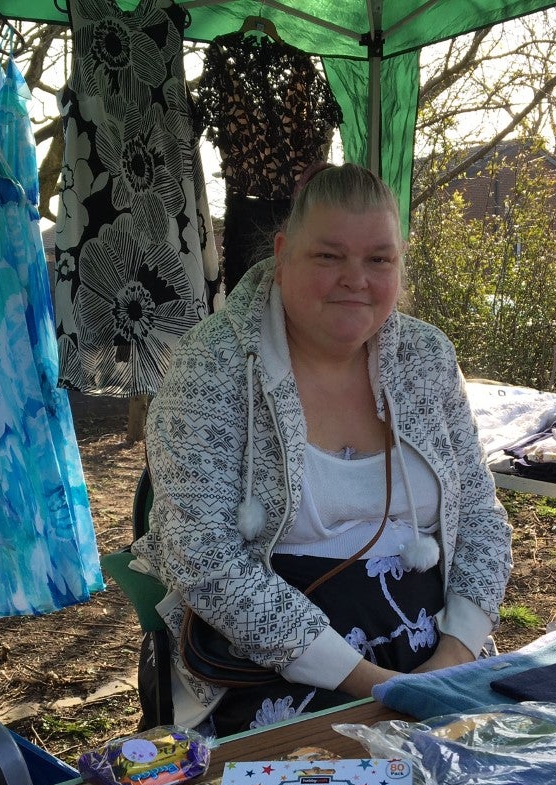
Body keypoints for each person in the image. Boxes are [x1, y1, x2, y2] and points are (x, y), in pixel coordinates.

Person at [132, 163, 512, 735]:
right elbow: (202, 558)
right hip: (269, 666)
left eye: (378, 260)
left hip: (434, 653)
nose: (355, 279)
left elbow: (482, 517)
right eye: (329, 256)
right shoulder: (212, 366)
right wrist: (373, 684)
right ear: (283, 255)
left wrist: (454, 656)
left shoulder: (428, 357)